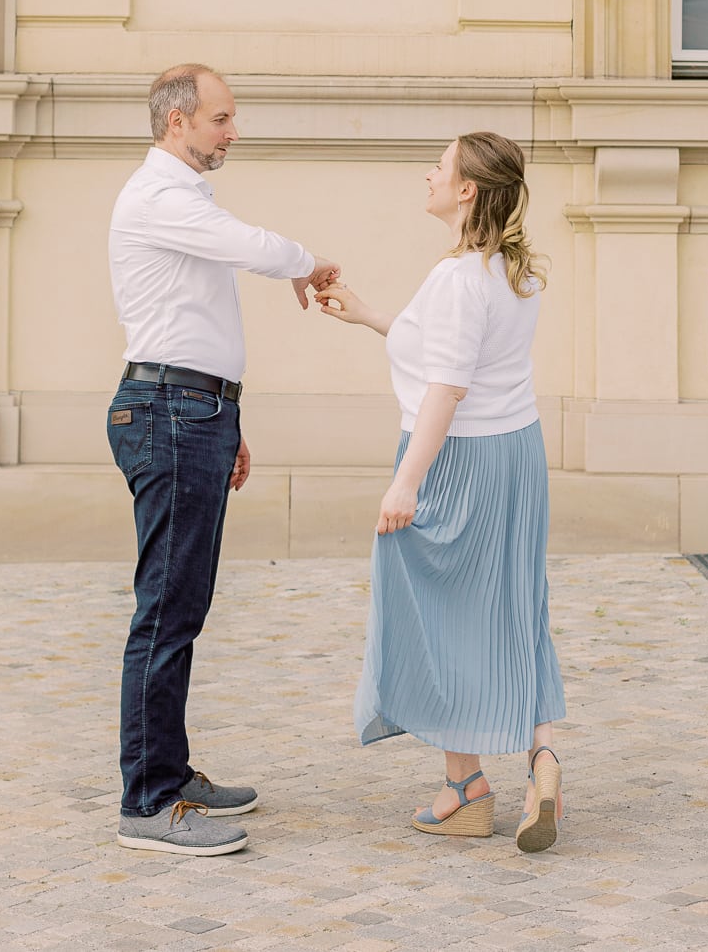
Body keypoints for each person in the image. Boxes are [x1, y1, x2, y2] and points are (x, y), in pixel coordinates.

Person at [107, 63, 340, 857]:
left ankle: (168, 774)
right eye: (221, 118)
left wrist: (226, 417)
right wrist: (307, 259)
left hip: (192, 410)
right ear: (178, 122)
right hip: (170, 412)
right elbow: (246, 248)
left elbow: (193, 318)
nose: (232, 131)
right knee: (165, 611)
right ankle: (147, 802)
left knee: (184, 607)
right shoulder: (160, 197)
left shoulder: (182, 200)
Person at [315, 132, 567, 852]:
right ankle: (542, 757)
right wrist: (371, 315)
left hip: (458, 458)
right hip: (517, 453)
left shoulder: (459, 277)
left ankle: (466, 789)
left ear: (466, 190)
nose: (427, 172)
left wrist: (406, 481)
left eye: (442, 164)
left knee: (433, 609)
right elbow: (460, 355)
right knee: (517, 603)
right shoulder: (514, 271)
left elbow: (450, 385)